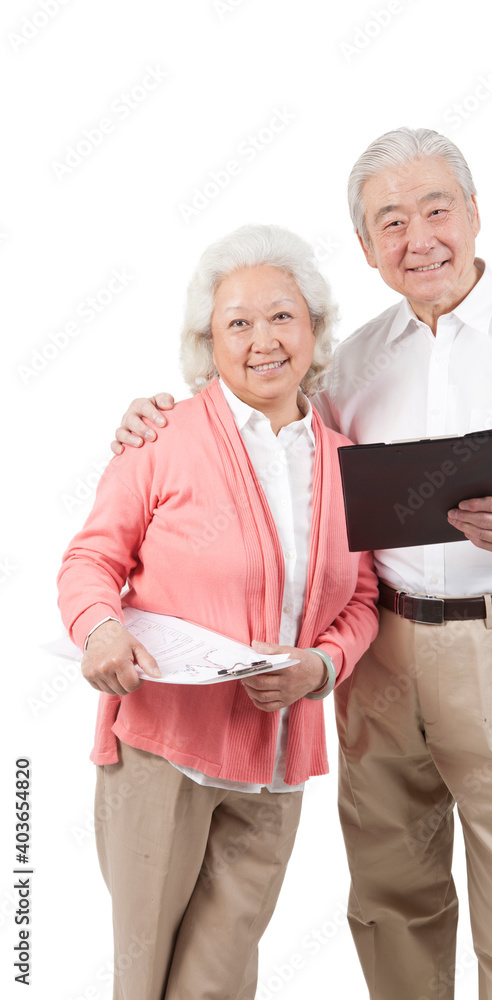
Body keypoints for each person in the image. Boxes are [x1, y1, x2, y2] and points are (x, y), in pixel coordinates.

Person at [111, 128, 492, 1000]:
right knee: (391, 892)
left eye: (436, 209)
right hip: (380, 649)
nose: (418, 237)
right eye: (389, 222)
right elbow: (257, 423)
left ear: (474, 213)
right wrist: (149, 417)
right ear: (365, 248)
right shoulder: (352, 362)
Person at [57, 224, 378, 1000]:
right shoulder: (161, 436)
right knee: (145, 977)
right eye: (238, 322)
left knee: (219, 982)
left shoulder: (346, 460)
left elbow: (362, 599)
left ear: (314, 329)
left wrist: (322, 665)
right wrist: (100, 629)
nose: (263, 340)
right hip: (165, 745)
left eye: (281, 317)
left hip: (274, 761)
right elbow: (89, 561)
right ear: (209, 340)